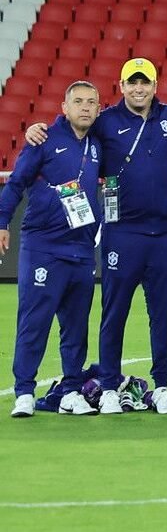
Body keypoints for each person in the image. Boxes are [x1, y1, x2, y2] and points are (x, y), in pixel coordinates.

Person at [3, 81, 102, 418]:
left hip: (81, 250)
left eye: (92, 102)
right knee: (35, 320)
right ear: (64, 107)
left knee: (76, 326)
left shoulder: (98, 143)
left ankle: (72, 390)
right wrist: (2, 222)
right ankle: (24, 392)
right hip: (44, 246)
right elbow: (16, 183)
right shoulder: (43, 139)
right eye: (78, 102)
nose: (85, 107)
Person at [93, 59, 167, 416]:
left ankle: (162, 387)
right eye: (132, 83)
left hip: (166, 233)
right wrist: (44, 127)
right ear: (121, 86)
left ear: (155, 85)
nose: (138, 89)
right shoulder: (105, 122)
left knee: (162, 316)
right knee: (113, 313)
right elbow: (74, 132)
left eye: (144, 83)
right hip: (122, 233)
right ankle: (109, 387)